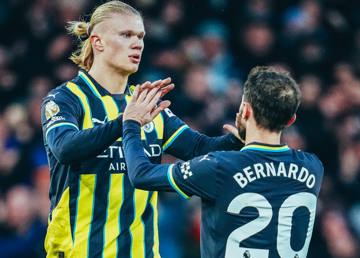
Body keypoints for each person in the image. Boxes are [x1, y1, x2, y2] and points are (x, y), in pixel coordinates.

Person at [40, 1, 243, 257]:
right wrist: (127, 122)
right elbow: (65, 148)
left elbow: (199, 148)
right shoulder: (65, 99)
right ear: (98, 41)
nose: (137, 44)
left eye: (140, 36)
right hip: (80, 251)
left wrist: (238, 139)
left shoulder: (145, 102)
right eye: (126, 35)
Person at [123, 66, 324, 258]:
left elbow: (141, 175)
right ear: (291, 120)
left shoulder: (218, 166)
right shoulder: (313, 166)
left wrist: (131, 123)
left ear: (245, 110)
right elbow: (269, 175)